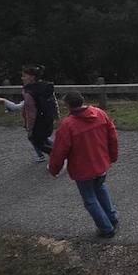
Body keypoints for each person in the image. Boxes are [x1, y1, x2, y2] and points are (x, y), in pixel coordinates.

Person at [48, 91, 121, 238]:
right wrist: (112, 156)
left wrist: (54, 169)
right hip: (101, 163)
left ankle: (106, 228)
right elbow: (112, 136)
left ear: (68, 106)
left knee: (89, 198)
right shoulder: (100, 114)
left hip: (82, 170)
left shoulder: (68, 125)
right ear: (83, 100)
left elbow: (59, 150)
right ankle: (112, 217)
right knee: (100, 187)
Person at [0, 65, 57, 163]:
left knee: (36, 140)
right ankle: (55, 153)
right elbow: (53, 102)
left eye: (24, 76)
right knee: (44, 139)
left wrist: (29, 128)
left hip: (37, 123)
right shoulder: (45, 87)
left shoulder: (29, 92)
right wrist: (57, 116)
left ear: (32, 77)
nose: (22, 78)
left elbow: (29, 112)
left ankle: (57, 156)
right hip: (48, 119)